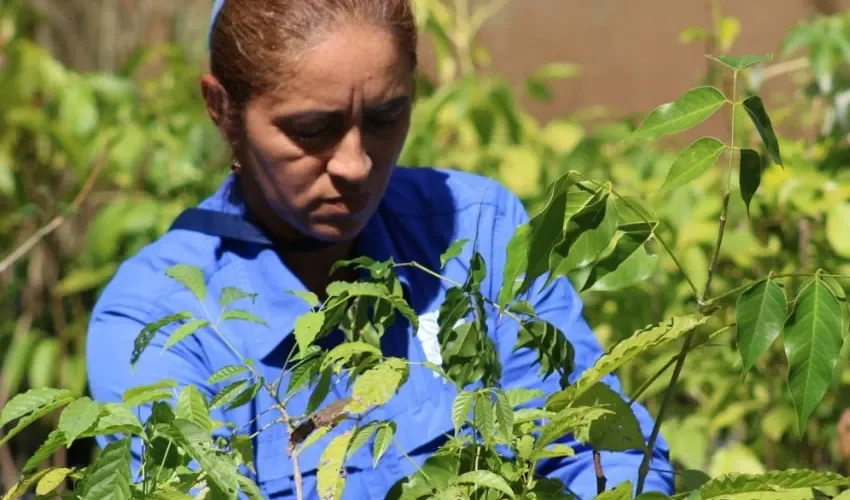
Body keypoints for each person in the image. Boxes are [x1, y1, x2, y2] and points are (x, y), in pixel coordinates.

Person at [85, 0, 674, 498]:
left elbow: (599, 451)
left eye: (387, 117)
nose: (356, 164)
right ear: (223, 111)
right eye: (311, 129)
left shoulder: (477, 230)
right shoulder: (162, 321)